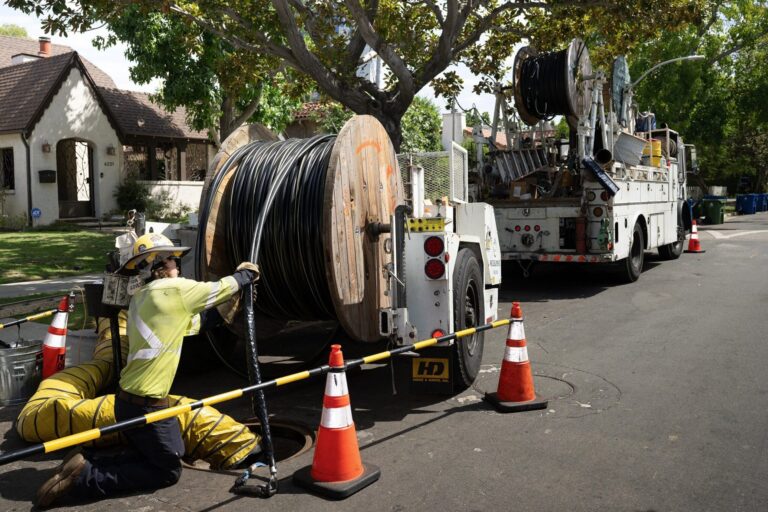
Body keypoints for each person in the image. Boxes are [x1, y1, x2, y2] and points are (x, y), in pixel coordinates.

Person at [35, 233, 261, 508]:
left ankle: (88, 461)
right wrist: (244, 276)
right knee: (166, 470)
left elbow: (194, 324)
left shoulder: (142, 299)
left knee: (161, 450)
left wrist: (226, 310)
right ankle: (85, 477)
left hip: (127, 399)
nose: (178, 266)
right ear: (160, 266)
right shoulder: (174, 290)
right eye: (174, 260)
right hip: (147, 405)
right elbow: (220, 287)